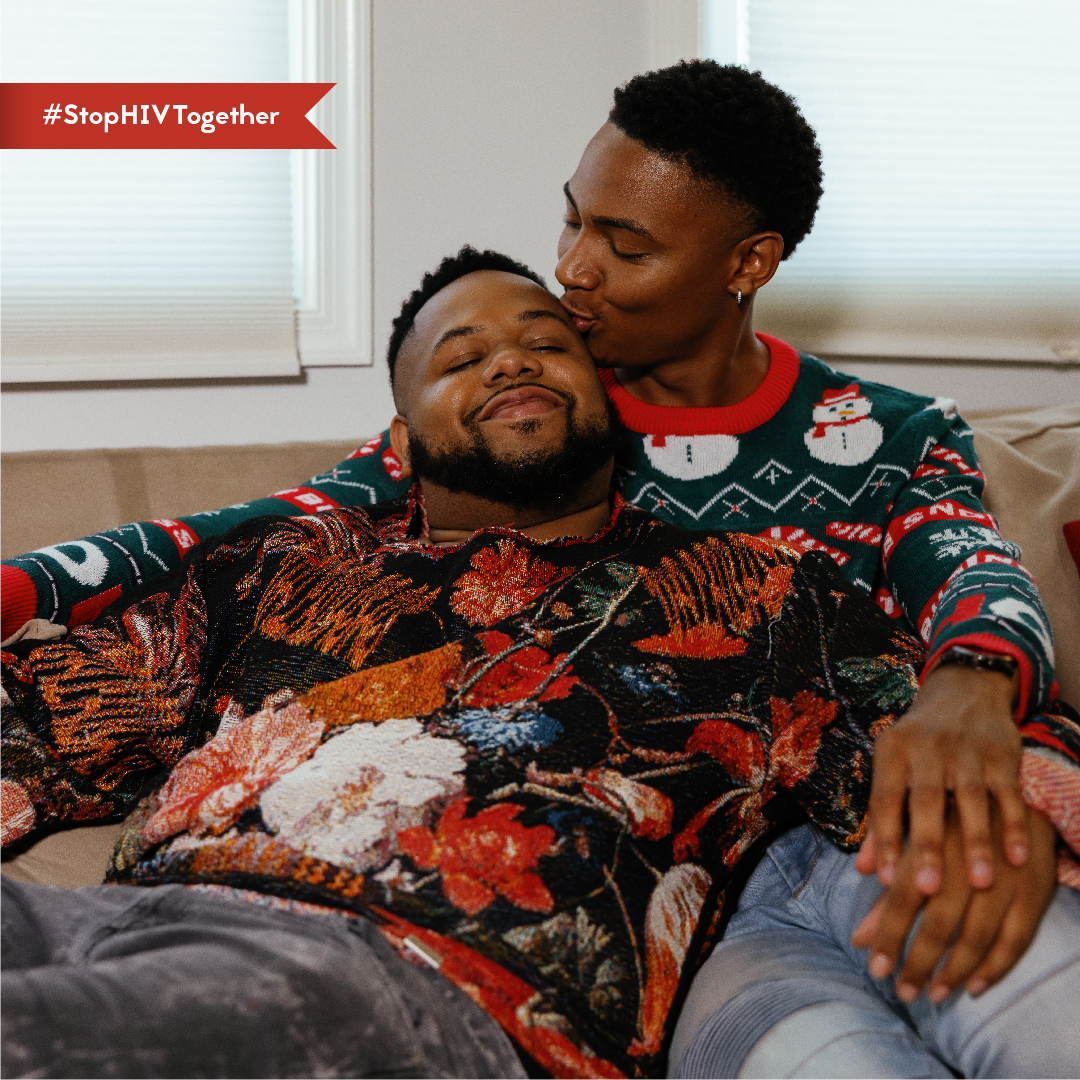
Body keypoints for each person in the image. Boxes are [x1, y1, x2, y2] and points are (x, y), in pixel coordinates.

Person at [1, 62, 1059, 911]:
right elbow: (263, 529)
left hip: (811, 836)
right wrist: (23, 586)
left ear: (750, 262)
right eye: (573, 221)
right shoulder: (544, 415)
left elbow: (977, 573)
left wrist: (970, 683)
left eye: (625, 245)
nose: (575, 272)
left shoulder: (890, 436)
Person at [2, 256, 1079, 1079]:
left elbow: (947, 736)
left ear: (607, 397)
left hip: (411, 976)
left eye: (544, 343)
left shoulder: (755, 592)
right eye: (461, 358)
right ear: (403, 433)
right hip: (132, 914)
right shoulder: (279, 568)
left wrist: (1012, 813)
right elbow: (46, 717)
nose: (510, 359)